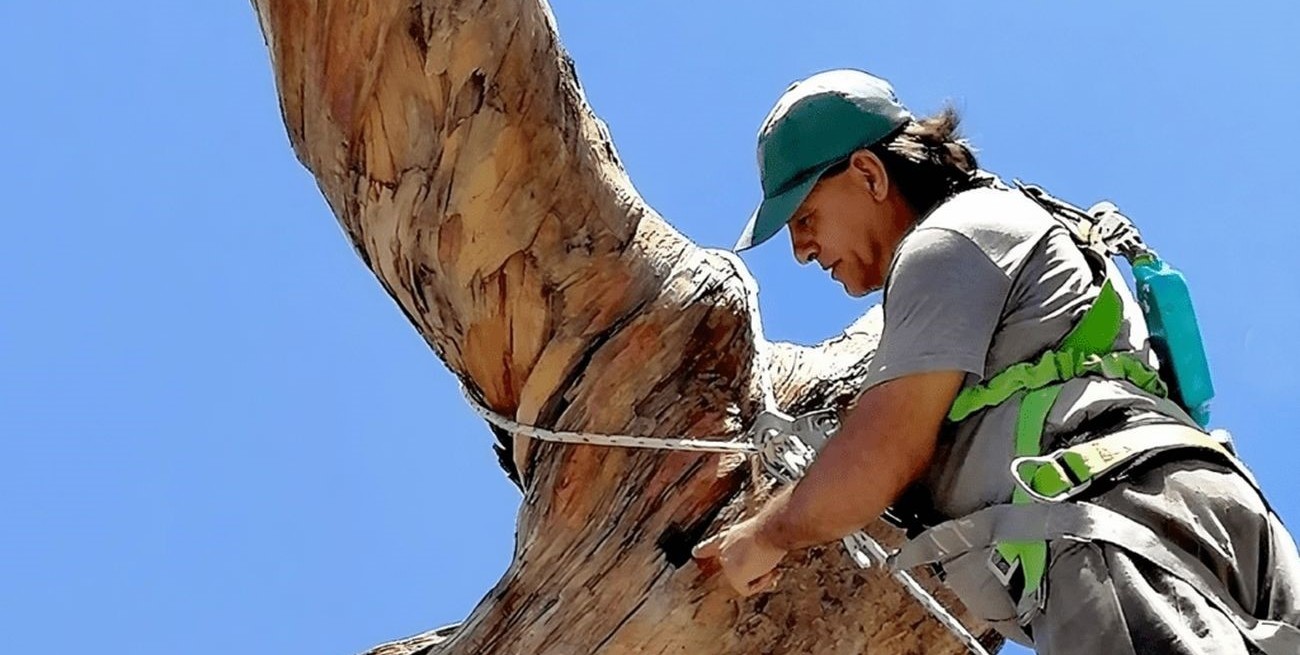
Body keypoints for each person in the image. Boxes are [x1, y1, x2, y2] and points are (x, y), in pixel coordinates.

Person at [691, 68, 1300, 654]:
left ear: (869, 175)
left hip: (1115, 534)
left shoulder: (947, 241)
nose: (801, 250)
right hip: (1211, 516)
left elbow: (884, 451)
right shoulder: (1016, 219)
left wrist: (766, 534)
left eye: (805, 217)